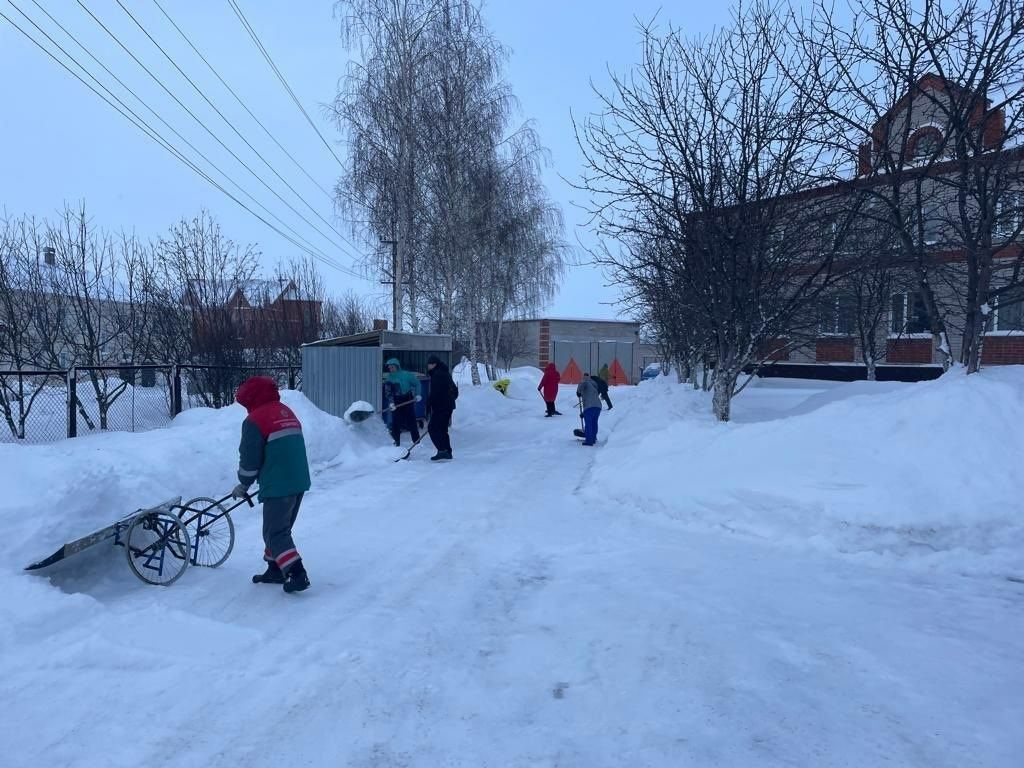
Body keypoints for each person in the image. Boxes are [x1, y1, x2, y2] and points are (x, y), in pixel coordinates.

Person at [232, 376, 312, 594]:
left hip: (279, 484)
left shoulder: (254, 420)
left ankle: (297, 574)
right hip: (298, 479)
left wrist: (243, 484)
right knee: (279, 530)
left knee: (275, 533)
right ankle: (275, 569)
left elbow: (250, 459)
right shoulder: (285, 411)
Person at [425, 354, 456, 461]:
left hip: (441, 407)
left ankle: (442, 450)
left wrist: (429, 405)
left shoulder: (437, 375)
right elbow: (455, 391)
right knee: (442, 430)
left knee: (432, 428)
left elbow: (435, 394)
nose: (428, 366)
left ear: (434, 364)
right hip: (448, 406)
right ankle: (447, 451)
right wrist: (449, 400)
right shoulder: (445, 373)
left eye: (429, 364)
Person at [385, 358, 421, 447]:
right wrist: (391, 403)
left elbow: (417, 383)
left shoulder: (406, 375)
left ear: (397, 366)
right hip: (396, 402)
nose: (391, 369)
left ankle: (417, 441)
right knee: (396, 423)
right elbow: (388, 392)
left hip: (408, 399)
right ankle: (396, 443)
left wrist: (418, 394)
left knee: (411, 421)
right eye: (389, 368)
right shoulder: (389, 378)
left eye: (392, 367)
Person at [576, 372, 602, 446]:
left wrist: (578, 392)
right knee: (594, 423)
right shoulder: (594, 384)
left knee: (588, 424)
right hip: (598, 406)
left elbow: (581, 387)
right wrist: (584, 413)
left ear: (585, 377)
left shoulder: (584, 381)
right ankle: (593, 438)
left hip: (590, 406)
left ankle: (589, 441)